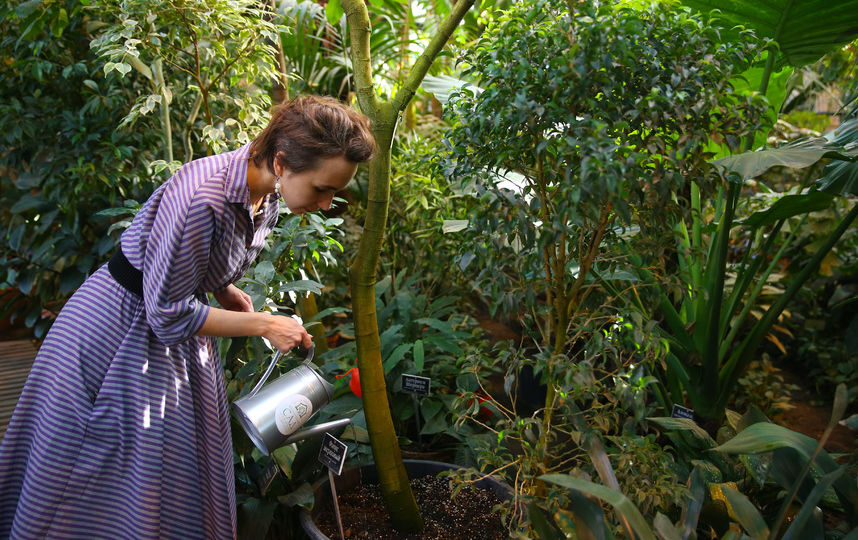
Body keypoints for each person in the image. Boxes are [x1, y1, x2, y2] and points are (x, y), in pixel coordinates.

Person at [0, 95, 375, 539]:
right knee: (103, 465)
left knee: (167, 467)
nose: (327, 202)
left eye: (336, 192)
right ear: (281, 161)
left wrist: (223, 287)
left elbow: (191, 263)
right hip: (120, 332)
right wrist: (266, 324)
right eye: (322, 188)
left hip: (169, 332)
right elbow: (167, 313)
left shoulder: (266, 193)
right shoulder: (205, 198)